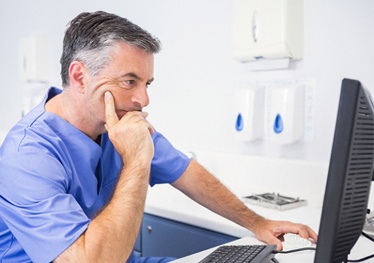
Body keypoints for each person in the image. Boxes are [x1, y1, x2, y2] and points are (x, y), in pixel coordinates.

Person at [0, 11, 317, 263]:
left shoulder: (119, 123)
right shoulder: (27, 154)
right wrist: (137, 159)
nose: (143, 99)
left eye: (147, 84)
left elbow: (187, 173)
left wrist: (257, 223)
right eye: (129, 81)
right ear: (80, 76)